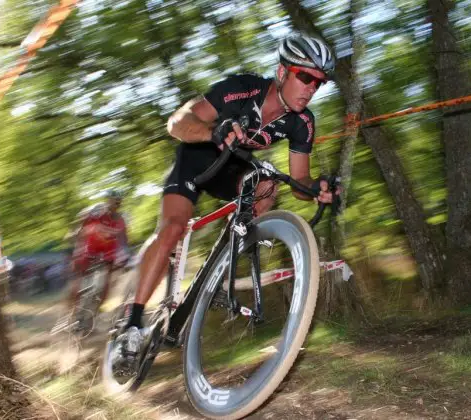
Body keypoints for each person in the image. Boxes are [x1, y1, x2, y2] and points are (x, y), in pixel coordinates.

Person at [115, 32, 341, 363]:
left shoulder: (302, 122)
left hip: (233, 165)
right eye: (305, 76)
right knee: (174, 227)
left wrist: (317, 188)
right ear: (282, 73)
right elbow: (177, 122)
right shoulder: (244, 88)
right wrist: (212, 131)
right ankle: (132, 323)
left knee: (267, 187)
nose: (310, 88)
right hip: (197, 156)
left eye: (318, 83)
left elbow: (299, 180)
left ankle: (222, 265)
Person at [67, 189, 130, 324]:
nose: (115, 205)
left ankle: (94, 313)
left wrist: (124, 258)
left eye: (118, 202)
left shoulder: (121, 220)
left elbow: (124, 241)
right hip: (91, 249)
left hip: (109, 253)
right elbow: (82, 224)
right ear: (108, 201)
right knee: (79, 277)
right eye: (113, 201)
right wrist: (76, 240)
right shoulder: (98, 212)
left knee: (107, 284)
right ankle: (72, 312)